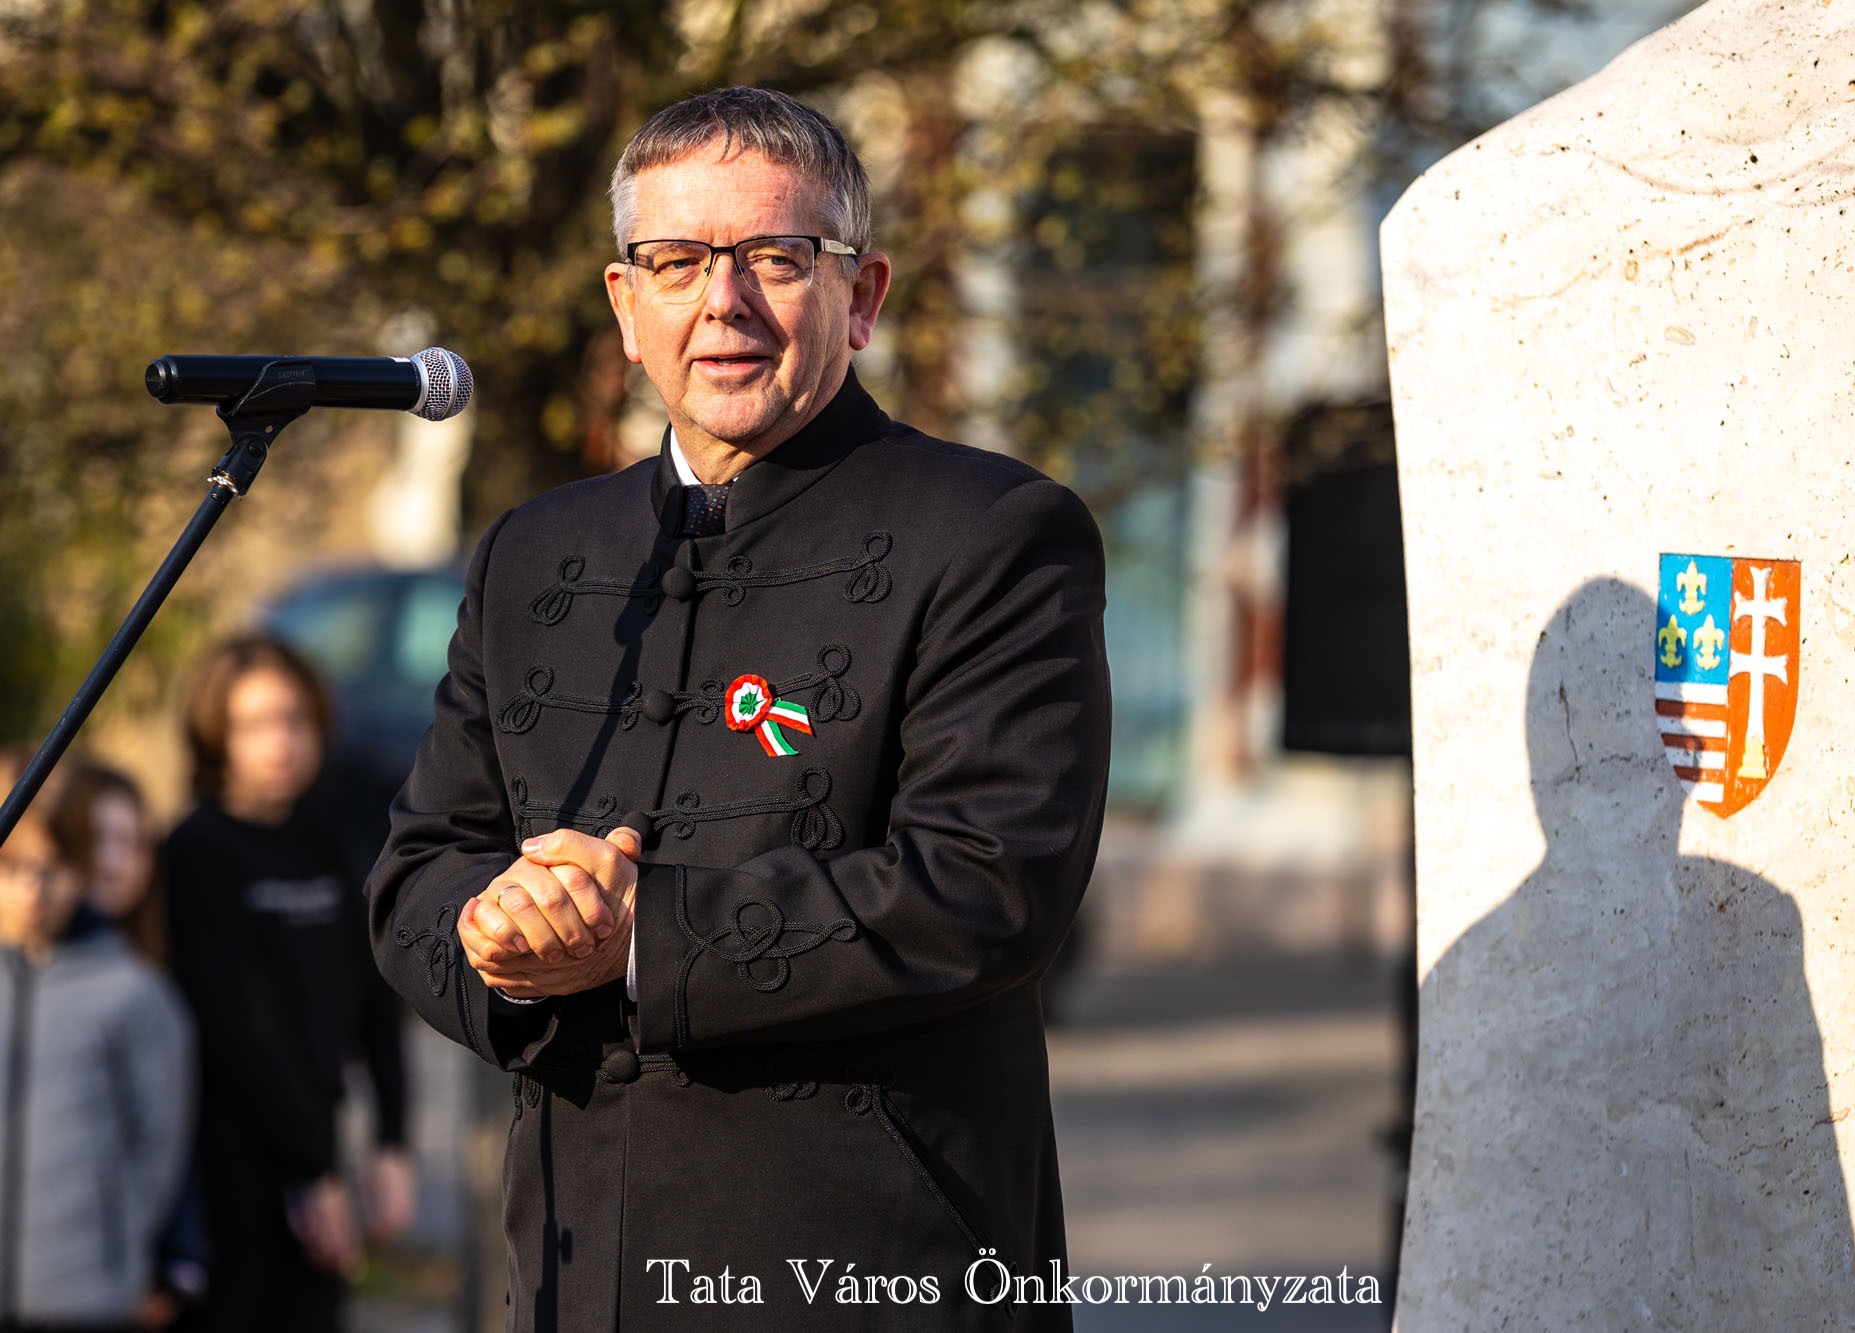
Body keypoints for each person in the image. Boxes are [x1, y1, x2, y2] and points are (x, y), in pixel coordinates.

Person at [367, 86, 1113, 1330]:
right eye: (676, 261)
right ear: (627, 306)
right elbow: (417, 871)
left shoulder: (992, 533)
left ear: (861, 296)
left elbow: (986, 883)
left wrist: (639, 939)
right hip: (578, 1278)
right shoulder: (532, 554)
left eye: (776, 256)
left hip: (875, 1274)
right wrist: (504, 937)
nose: (724, 301)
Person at [159, 636, 415, 1333]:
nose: (280, 742)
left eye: (293, 719)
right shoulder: (194, 851)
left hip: (319, 1145)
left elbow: (377, 1002)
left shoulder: (330, 845)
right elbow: (236, 1028)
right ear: (215, 734)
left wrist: (392, 1144)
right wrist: (314, 1171)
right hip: (226, 1162)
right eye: (253, 724)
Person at [0, 753, 194, 1333]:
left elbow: (158, 1146)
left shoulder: (134, 992)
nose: (33, 889)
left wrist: (120, 1250)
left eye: (55, 866)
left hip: (85, 1295)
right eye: (12, 866)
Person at [48, 761, 209, 1331]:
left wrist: (177, 1264)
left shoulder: (163, 972)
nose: (114, 861)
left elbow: (170, 1138)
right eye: (97, 840)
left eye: (132, 843)